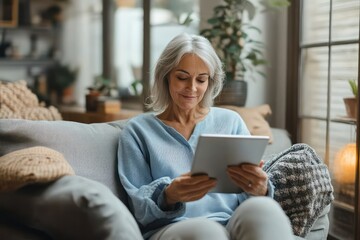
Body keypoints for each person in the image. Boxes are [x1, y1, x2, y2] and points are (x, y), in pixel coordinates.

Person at [117, 33, 294, 240]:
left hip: (231, 220)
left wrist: (260, 189)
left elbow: (249, 194)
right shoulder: (138, 131)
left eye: (201, 80)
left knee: (266, 211)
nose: (192, 88)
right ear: (166, 76)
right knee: (208, 232)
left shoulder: (231, 121)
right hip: (171, 227)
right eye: (182, 78)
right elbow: (138, 208)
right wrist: (168, 195)